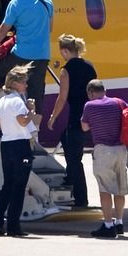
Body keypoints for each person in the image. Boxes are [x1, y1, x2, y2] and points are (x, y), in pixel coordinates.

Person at [0, 0, 53, 130]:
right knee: (37, 93)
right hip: (42, 55)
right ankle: (35, 135)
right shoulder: (47, 0)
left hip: (21, 55)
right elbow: (50, 28)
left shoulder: (16, 3)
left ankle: (7, 99)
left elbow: (3, 30)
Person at [47, 34, 97, 207]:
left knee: (75, 159)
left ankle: (81, 197)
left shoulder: (66, 70)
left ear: (65, 51)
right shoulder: (90, 66)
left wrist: (53, 117)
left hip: (76, 117)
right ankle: (69, 179)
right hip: (91, 115)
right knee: (65, 140)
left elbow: (62, 97)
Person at [81, 79, 128, 238]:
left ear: (91, 93)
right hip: (121, 150)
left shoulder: (90, 106)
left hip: (103, 151)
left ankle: (108, 225)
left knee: (105, 189)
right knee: (120, 189)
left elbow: (84, 127)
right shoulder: (119, 102)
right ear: (104, 90)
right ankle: (119, 222)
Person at [0, 64, 37, 237]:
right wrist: (31, 110)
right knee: (19, 187)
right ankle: (13, 226)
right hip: (20, 145)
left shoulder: (2, 100)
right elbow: (23, 122)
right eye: (24, 82)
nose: (26, 85)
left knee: (7, 185)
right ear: (16, 83)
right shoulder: (17, 101)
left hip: (7, 143)